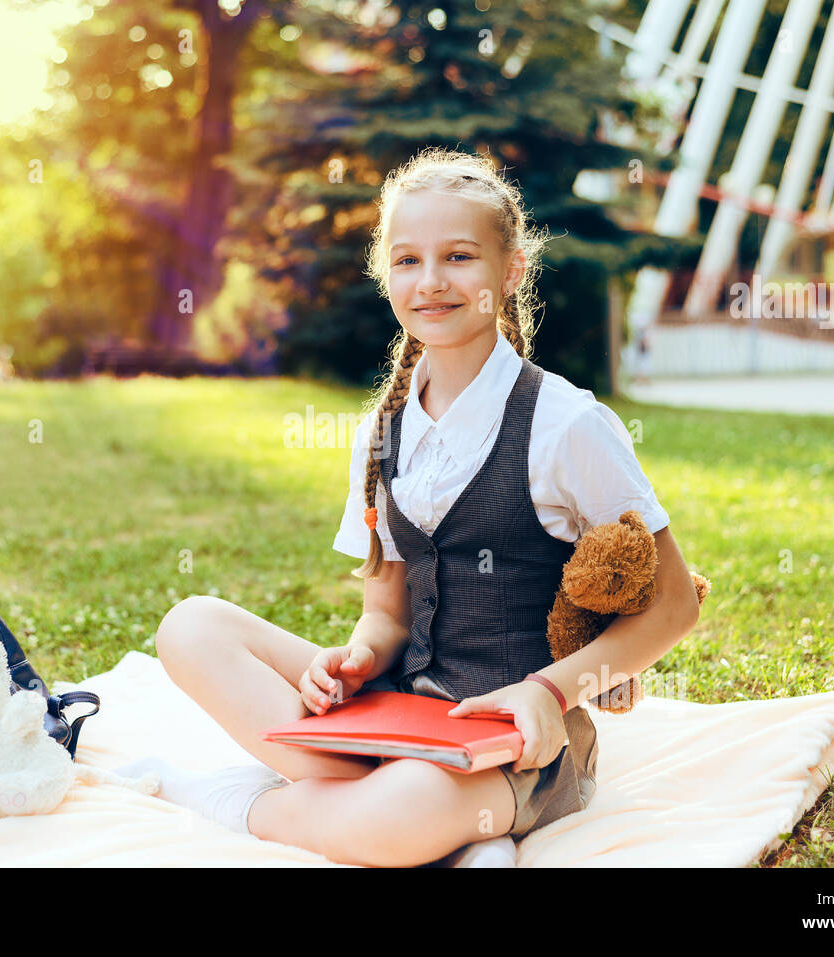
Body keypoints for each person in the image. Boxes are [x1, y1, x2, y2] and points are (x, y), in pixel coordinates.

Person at [117, 147, 701, 868]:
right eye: (406, 261)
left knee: (408, 810)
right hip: (402, 710)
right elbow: (387, 615)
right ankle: (415, 812)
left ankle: (243, 799)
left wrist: (551, 689)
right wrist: (356, 659)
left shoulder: (566, 424)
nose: (431, 282)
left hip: (519, 744)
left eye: (459, 257)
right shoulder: (381, 430)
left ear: (509, 270)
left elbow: (675, 605)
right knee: (191, 625)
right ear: (384, 272)